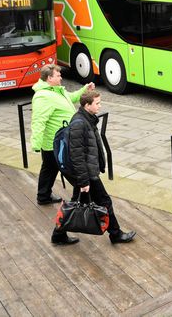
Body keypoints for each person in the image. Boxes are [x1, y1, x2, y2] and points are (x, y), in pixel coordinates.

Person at [51, 90, 136, 245]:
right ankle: (115, 234)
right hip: (87, 174)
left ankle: (58, 234)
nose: (100, 106)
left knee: (75, 203)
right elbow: (77, 156)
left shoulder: (87, 119)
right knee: (104, 202)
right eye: (97, 103)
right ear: (87, 105)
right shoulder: (79, 123)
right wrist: (84, 181)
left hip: (85, 173)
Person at [31, 64, 93, 206]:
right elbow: (38, 120)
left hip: (60, 141)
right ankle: (80, 201)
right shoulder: (43, 96)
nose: (61, 78)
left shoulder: (58, 91)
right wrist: (36, 143)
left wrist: (84, 89)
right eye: (58, 75)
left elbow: (72, 97)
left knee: (49, 169)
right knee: (72, 171)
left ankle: (43, 196)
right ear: (49, 78)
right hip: (56, 143)